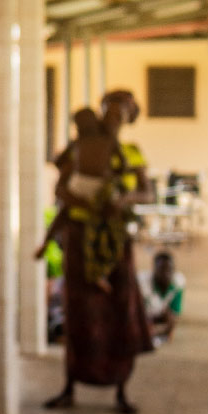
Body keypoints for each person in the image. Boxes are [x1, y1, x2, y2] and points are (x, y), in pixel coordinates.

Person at [43, 90, 154, 414]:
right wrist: (81, 202)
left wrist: (122, 200)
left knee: (119, 311)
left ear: (127, 120)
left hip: (115, 240)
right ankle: (70, 385)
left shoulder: (131, 153)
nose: (113, 121)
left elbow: (145, 190)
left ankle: (121, 387)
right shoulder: (77, 149)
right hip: (79, 238)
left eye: (120, 115)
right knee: (79, 313)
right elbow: (61, 188)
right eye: (109, 113)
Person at [37, 108, 128, 293]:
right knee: (65, 211)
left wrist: (113, 175)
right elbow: (59, 161)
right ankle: (46, 241)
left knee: (103, 224)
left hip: (98, 185)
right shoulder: (81, 142)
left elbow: (123, 164)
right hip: (81, 182)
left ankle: (100, 272)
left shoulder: (105, 141)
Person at [139, 251, 185, 346]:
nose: (166, 273)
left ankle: (159, 335)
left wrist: (169, 326)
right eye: (162, 269)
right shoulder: (141, 283)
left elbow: (175, 312)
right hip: (142, 316)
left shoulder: (178, 282)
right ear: (154, 269)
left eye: (169, 269)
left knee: (171, 317)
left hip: (156, 313)